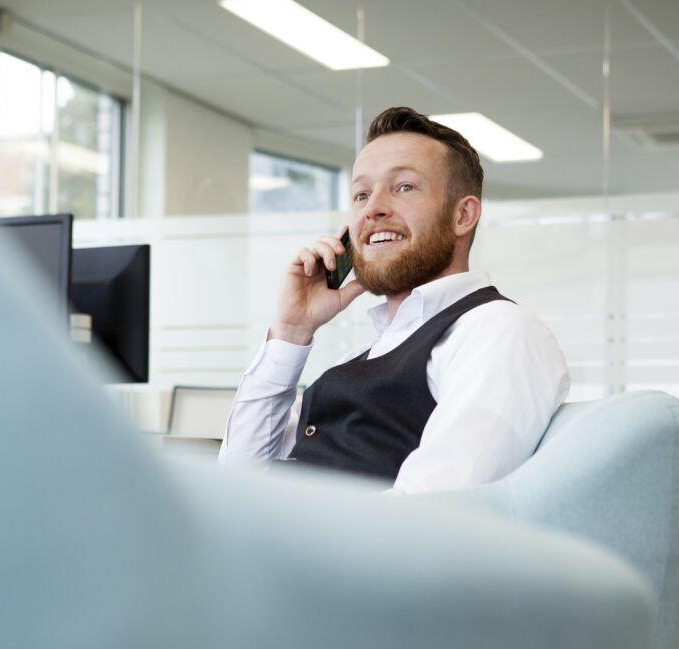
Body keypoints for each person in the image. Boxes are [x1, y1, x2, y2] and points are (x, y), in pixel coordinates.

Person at [218, 106, 569, 493]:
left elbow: (435, 508)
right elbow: (237, 483)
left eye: (404, 187)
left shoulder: (498, 331)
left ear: (463, 215)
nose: (373, 209)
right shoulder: (363, 356)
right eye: (361, 194)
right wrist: (290, 333)